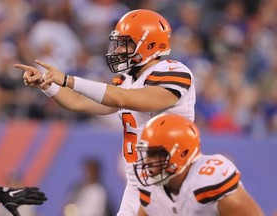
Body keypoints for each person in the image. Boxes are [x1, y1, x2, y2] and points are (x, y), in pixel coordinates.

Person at [14, 9, 196, 215]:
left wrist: (68, 79)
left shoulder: (173, 72)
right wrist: (46, 84)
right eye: (118, 43)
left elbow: (123, 98)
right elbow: (77, 103)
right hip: (138, 183)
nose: (118, 50)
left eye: (126, 43)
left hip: (171, 181)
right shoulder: (126, 79)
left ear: (151, 44)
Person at [133, 113, 265, 216]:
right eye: (147, 154)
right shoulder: (151, 191)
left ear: (183, 153)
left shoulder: (209, 182)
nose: (147, 162)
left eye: (154, 154)